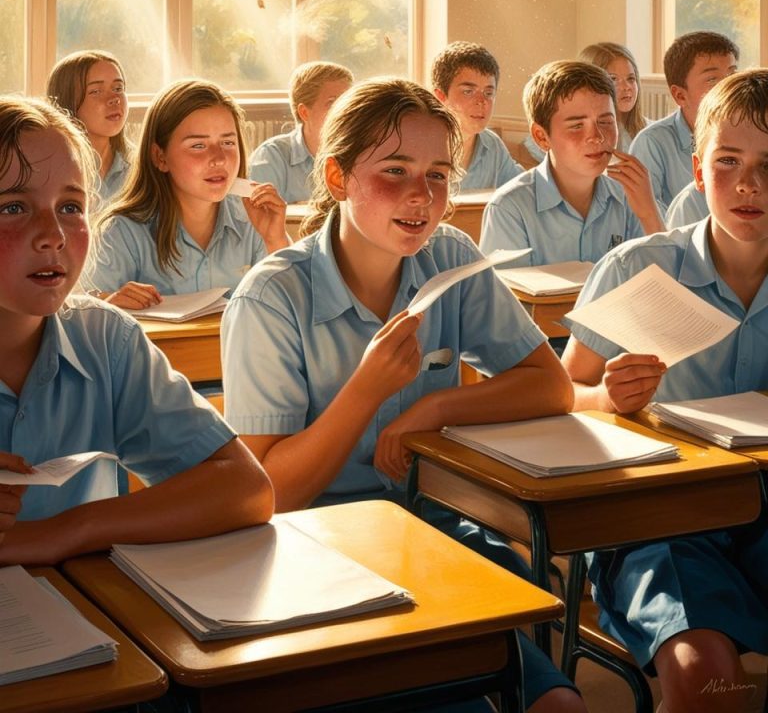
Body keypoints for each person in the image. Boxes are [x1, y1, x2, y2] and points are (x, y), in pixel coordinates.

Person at [223, 78, 584, 713]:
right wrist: (367, 389)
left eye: (438, 175)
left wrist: (433, 408)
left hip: (434, 531)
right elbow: (272, 493)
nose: (422, 195)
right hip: (318, 556)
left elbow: (550, 385)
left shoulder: (450, 257)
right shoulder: (272, 296)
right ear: (337, 177)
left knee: (561, 707)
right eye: (395, 170)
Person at [562, 69, 768, 713]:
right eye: (728, 162)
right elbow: (561, 394)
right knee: (706, 680)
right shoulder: (638, 266)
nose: (749, 184)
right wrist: (606, 399)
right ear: (698, 172)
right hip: (661, 520)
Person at [0, 97, 273, 566]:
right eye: (12, 207)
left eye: (70, 206)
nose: (53, 235)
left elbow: (246, 489)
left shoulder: (104, 340)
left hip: (86, 606)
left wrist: (69, 530)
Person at [88, 79, 290, 310]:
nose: (219, 159)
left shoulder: (254, 220)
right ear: (160, 157)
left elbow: (289, 313)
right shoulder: (120, 232)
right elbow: (87, 317)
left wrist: (276, 241)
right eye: (198, 146)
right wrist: (107, 303)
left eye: (228, 142)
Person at [480, 61, 663, 265]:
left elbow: (665, 275)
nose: (597, 137)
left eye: (605, 122)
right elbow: (505, 286)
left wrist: (649, 214)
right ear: (541, 137)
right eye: (577, 126)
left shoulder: (629, 196)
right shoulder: (509, 209)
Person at [629, 31, 738, 211]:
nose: (729, 87)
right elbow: (642, 217)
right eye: (712, 79)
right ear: (680, 95)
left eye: (732, 74)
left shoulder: (750, 134)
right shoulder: (651, 143)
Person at [248, 61, 353, 202]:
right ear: (304, 113)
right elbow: (257, 214)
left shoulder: (363, 153)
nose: (345, 111)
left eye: (348, 103)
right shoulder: (271, 157)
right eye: (332, 103)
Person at [431, 41, 523, 191]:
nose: (482, 102)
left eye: (488, 93)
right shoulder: (418, 145)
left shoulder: (493, 146)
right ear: (440, 97)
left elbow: (524, 191)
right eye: (468, 91)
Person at [47, 49, 132, 208]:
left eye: (118, 88)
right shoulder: (48, 171)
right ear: (68, 101)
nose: (114, 99)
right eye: (96, 91)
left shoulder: (142, 167)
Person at [578, 42, 649, 150]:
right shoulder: (581, 136)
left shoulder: (651, 131)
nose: (626, 87)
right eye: (613, 79)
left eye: (630, 78)